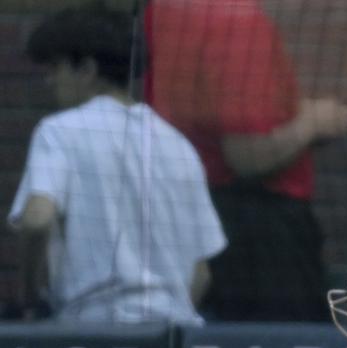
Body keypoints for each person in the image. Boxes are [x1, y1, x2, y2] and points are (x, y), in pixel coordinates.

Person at [7, 2, 226, 324]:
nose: (49, 81)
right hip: (173, 340)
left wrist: (28, 301)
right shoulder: (178, 145)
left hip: (90, 333)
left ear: (87, 69)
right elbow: (201, 273)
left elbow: (37, 219)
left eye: (56, 67)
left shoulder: (59, 132)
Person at [144, 0, 347, 321]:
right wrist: (316, 123)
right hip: (260, 236)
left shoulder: (163, 9)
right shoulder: (235, 19)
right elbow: (248, 155)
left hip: (186, 215)